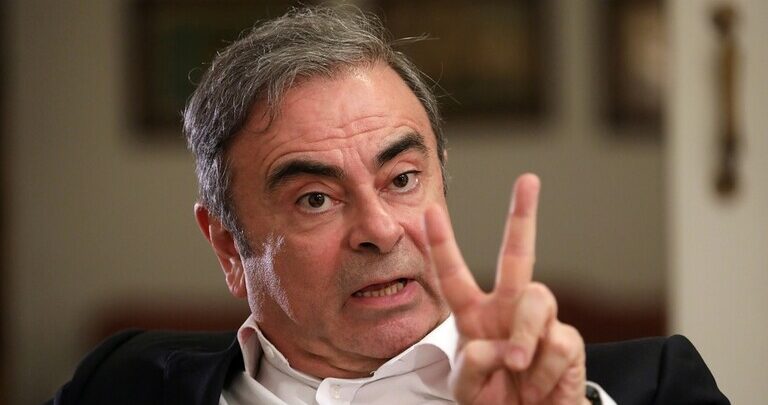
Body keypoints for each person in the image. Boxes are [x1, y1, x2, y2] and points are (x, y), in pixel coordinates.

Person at [49, 6, 728, 405]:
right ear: (228, 245)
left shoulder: (652, 386)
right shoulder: (123, 382)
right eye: (316, 198)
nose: (378, 229)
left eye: (401, 179)